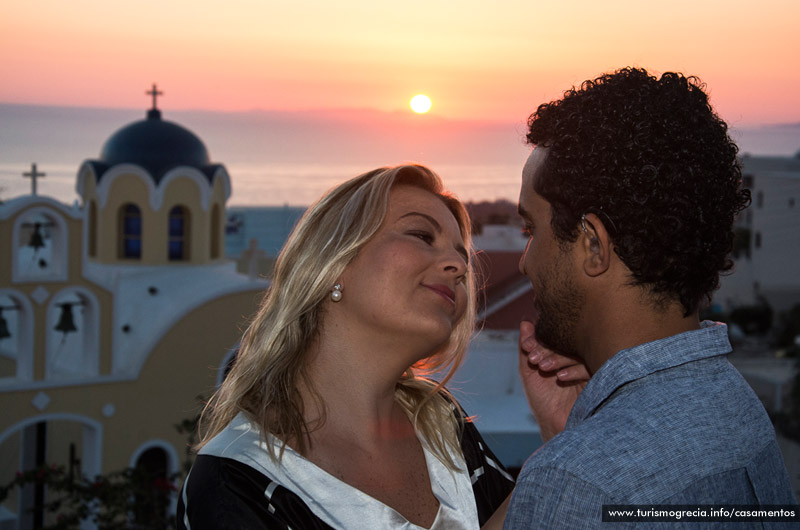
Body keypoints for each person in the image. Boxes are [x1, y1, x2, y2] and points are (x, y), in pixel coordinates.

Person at [505, 67, 798, 528]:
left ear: (593, 244)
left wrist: (569, 459)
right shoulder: (737, 409)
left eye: (530, 229)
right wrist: (575, 434)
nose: (524, 262)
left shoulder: (579, 482)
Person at [177, 164, 518, 529]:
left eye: (462, 256)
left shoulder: (442, 424)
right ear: (333, 263)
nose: (458, 265)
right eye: (421, 235)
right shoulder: (238, 482)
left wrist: (562, 434)